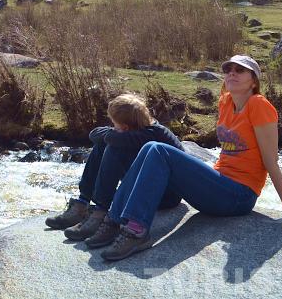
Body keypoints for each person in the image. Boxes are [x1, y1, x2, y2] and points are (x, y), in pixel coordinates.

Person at [99, 55, 282, 262]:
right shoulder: (226, 102)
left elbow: (271, 161)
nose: (232, 73)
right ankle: (114, 220)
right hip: (218, 185)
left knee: (158, 149)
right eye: (229, 69)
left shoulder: (259, 105)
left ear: (253, 81)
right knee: (150, 147)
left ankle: (136, 231)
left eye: (240, 70)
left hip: (239, 195)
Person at [44, 93, 183, 246]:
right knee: (101, 145)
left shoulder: (153, 134)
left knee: (114, 147)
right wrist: (114, 131)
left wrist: (113, 134)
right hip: (144, 186)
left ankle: (100, 212)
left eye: (114, 123)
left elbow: (110, 137)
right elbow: (94, 134)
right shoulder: (135, 129)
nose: (112, 126)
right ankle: (82, 204)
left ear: (126, 127)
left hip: (165, 196)